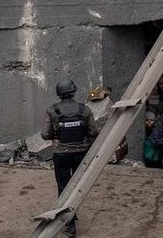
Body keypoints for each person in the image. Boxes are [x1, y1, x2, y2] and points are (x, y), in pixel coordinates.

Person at [41, 79, 99, 237]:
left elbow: (45, 134)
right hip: (82, 153)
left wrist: (57, 133)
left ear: (59, 94)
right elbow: (94, 131)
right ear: (73, 91)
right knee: (79, 186)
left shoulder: (52, 110)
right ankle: (73, 214)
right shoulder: (85, 110)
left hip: (61, 154)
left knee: (64, 187)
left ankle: (70, 224)